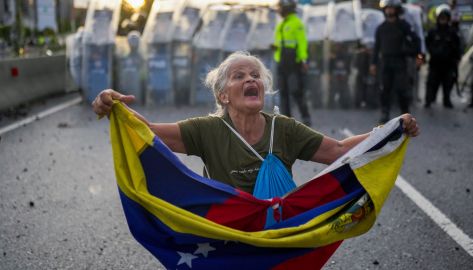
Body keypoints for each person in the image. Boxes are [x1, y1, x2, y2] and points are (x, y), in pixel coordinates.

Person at [92, 51, 420, 195]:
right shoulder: (206, 130)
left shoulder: (284, 128)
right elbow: (146, 133)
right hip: (227, 235)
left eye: (256, 76)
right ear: (223, 95)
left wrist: (388, 130)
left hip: (277, 236)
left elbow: (337, 150)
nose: (252, 79)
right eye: (239, 76)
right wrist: (111, 104)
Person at [370, 0, 421, 124]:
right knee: (384, 89)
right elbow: (376, 47)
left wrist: (416, 55)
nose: (389, 10)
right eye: (388, 8)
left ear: (397, 10)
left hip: (400, 61)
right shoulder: (381, 28)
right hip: (386, 62)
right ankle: (385, 112)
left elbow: (416, 40)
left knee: (402, 89)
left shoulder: (404, 25)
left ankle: (406, 113)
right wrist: (373, 63)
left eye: (392, 8)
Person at [273, 0, 311, 126]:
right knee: (283, 91)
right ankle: (286, 119)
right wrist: (275, 48)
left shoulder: (296, 23)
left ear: (287, 8)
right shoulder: (281, 24)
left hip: (293, 62)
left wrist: (303, 59)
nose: (279, 10)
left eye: (281, 7)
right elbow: (280, 42)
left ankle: (306, 117)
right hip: (282, 62)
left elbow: (302, 42)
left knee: (296, 91)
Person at [424, 4, 461, 109]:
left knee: (448, 84)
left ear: (448, 18)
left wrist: (457, 58)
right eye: (441, 17)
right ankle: (429, 101)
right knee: (431, 83)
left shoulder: (453, 32)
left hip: (448, 64)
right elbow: (427, 44)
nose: (443, 19)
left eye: (445, 17)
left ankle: (447, 100)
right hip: (435, 63)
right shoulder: (432, 31)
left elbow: (458, 46)